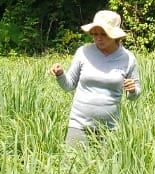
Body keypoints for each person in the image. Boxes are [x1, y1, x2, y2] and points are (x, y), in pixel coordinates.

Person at [49, 9, 141, 144]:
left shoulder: (128, 58)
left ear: (115, 35)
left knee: (107, 165)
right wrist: (60, 74)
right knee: (71, 164)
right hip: (78, 125)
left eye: (104, 34)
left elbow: (134, 95)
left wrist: (132, 90)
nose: (98, 38)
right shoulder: (83, 52)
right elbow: (69, 86)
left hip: (109, 129)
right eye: (95, 34)